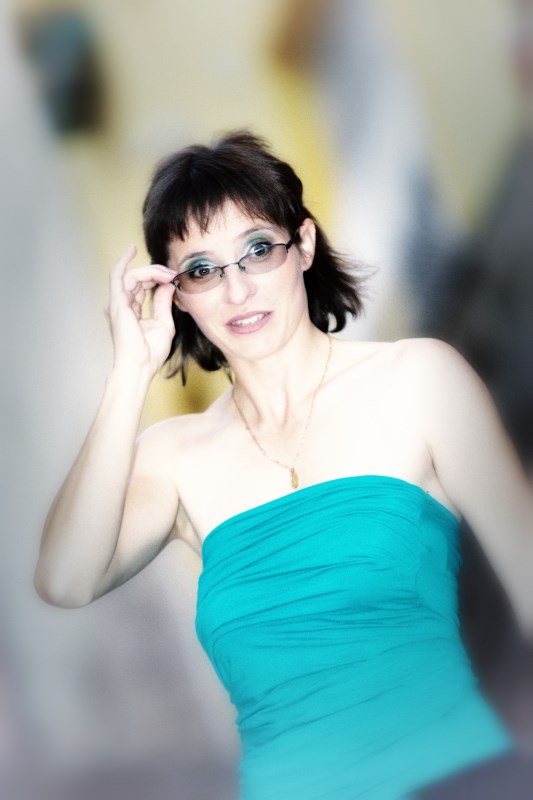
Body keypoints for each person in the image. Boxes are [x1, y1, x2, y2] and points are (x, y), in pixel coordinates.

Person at [35, 131, 533, 799]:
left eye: (257, 250)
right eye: (203, 270)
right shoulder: (173, 456)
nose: (237, 290)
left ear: (303, 245)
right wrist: (127, 373)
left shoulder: (418, 380)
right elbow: (64, 580)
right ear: (176, 295)